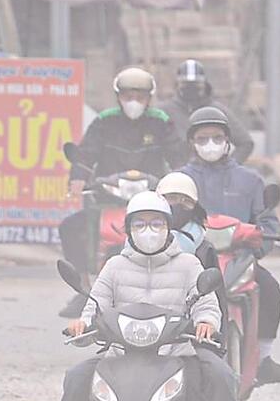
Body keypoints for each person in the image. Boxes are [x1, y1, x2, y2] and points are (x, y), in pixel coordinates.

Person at [54, 192, 248, 401]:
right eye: (140, 223)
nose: (148, 230)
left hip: (176, 352)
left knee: (218, 377)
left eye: (156, 223)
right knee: (78, 379)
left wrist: (206, 323)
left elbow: (207, 303)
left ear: (168, 227)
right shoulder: (114, 267)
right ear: (128, 229)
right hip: (121, 353)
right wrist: (83, 324)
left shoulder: (188, 264)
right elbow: (96, 306)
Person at [56, 67, 185, 316]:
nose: (133, 102)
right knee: (71, 227)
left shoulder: (160, 122)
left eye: (140, 96)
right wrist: (78, 178)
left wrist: (179, 183)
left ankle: (181, 288)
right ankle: (83, 287)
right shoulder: (105, 121)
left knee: (184, 231)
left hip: (151, 201)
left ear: (149, 98)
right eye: (128, 96)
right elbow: (86, 153)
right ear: (118, 97)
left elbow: (177, 156)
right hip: (107, 199)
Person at [181, 105, 280, 385]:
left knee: (269, 289)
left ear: (228, 141)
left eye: (216, 138)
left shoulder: (250, 180)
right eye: (203, 138)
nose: (210, 144)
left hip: (239, 259)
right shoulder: (180, 181)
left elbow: (266, 220)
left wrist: (260, 244)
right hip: (194, 261)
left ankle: (264, 358)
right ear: (192, 143)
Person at [173, 59, 254, 162]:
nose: (190, 88)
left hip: (211, 173)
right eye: (185, 84)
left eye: (196, 84)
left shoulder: (217, 112)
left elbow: (246, 142)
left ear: (205, 85)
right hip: (175, 175)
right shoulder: (165, 112)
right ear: (177, 85)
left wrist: (227, 168)